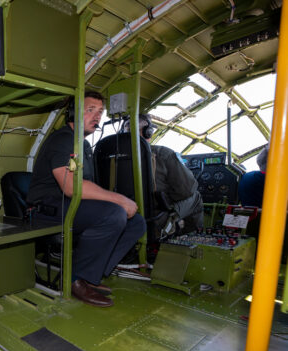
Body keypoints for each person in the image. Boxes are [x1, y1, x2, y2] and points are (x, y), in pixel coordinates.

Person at [27, 91, 146, 307]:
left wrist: (117, 201)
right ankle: (73, 279)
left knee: (136, 222)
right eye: (90, 110)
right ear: (73, 113)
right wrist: (120, 200)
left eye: (100, 112)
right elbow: (72, 186)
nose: (97, 116)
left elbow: (88, 187)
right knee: (114, 214)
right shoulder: (63, 140)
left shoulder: (83, 145)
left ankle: (91, 275)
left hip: (67, 205)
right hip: (45, 209)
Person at [125, 114, 203, 237]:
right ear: (148, 133)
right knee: (196, 197)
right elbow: (187, 190)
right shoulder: (161, 154)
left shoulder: (113, 155)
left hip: (124, 214)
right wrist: (168, 199)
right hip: (155, 218)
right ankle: (189, 240)